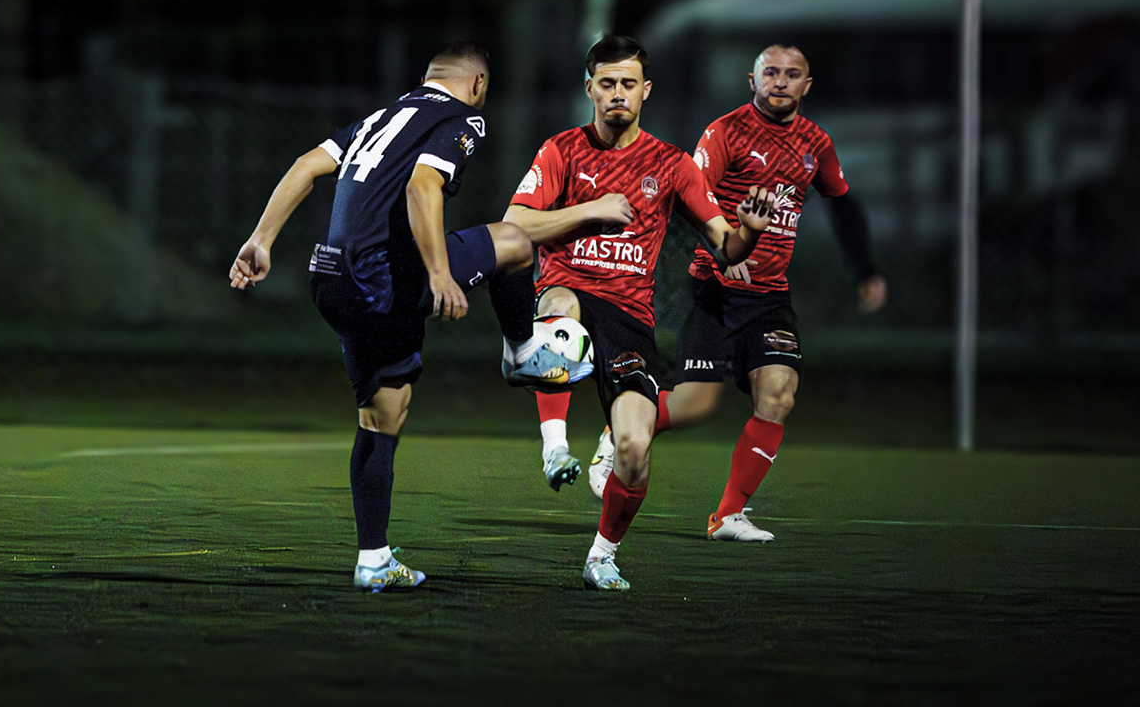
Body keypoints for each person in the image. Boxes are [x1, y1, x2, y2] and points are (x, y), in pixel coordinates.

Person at [229, 39, 606, 592]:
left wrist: (261, 240)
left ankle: (373, 558)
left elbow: (306, 166)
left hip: (330, 278)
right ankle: (523, 353)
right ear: (478, 84)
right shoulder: (462, 118)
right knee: (516, 241)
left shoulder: (383, 116)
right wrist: (438, 274)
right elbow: (421, 185)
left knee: (385, 411)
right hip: (384, 276)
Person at [581, 43, 888, 543]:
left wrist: (867, 270)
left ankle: (727, 516)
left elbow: (844, 204)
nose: (781, 81)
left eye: (793, 74)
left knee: (780, 393)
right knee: (697, 405)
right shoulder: (726, 132)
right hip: (715, 288)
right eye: (772, 72)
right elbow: (691, 198)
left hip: (770, 296)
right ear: (753, 80)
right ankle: (617, 433)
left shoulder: (816, 143)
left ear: (807, 86)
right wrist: (727, 252)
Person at [503, 34, 773, 592]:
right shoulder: (560, 151)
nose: (617, 93)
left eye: (628, 83)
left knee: (633, 448)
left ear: (645, 91)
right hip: (570, 291)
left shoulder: (671, 164)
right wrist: (591, 210)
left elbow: (725, 247)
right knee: (557, 307)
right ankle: (555, 449)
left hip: (630, 318)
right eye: (606, 83)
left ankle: (602, 555)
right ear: (589, 89)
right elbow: (514, 225)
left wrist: (748, 230)